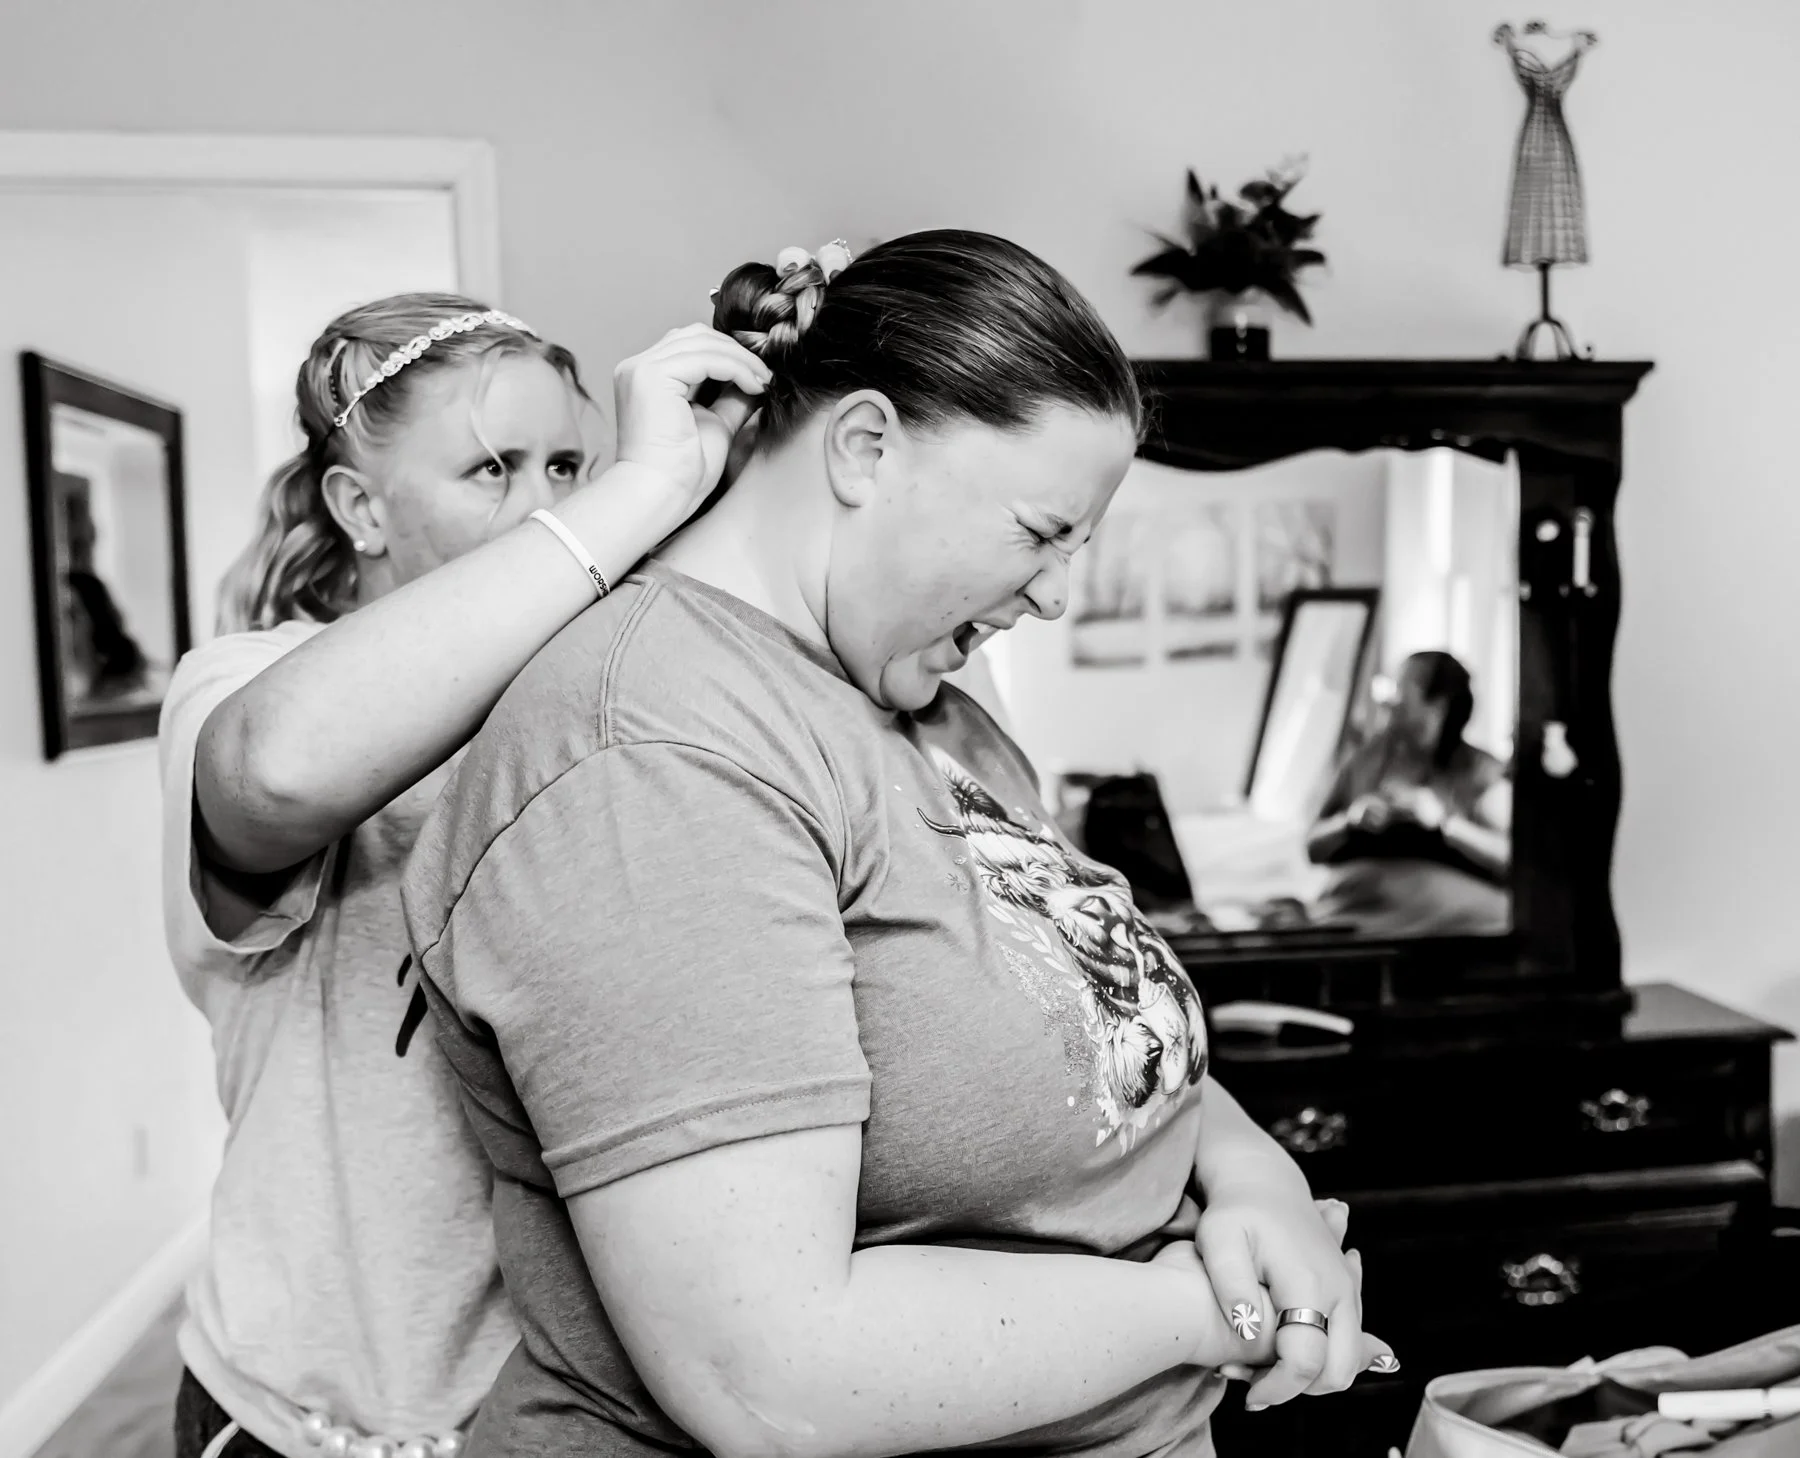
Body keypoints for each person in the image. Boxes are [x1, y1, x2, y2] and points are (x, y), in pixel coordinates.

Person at [403, 233, 1397, 1458]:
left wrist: (1257, 1185)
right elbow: (774, 1376)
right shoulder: (656, 755)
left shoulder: (931, 709)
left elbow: (1085, 1032)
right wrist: (1213, 1309)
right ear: (864, 447)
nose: (1053, 596)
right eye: (1042, 532)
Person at [157, 291, 771, 1458]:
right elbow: (281, 777)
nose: (549, 505)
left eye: (572, 464)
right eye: (493, 469)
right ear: (359, 508)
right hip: (312, 1418)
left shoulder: (599, 700)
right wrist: (634, 494)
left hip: (555, 1414)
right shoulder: (242, 687)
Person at [1306, 649, 1512, 937]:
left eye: (1402, 688)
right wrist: (1349, 821)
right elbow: (1312, 847)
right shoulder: (1366, 761)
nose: (1390, 698)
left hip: (1445, 923)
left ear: (1437, 706)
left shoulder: (1480, 772)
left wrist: (1445, 823)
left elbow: (1513, 860)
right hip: (1360, 910)